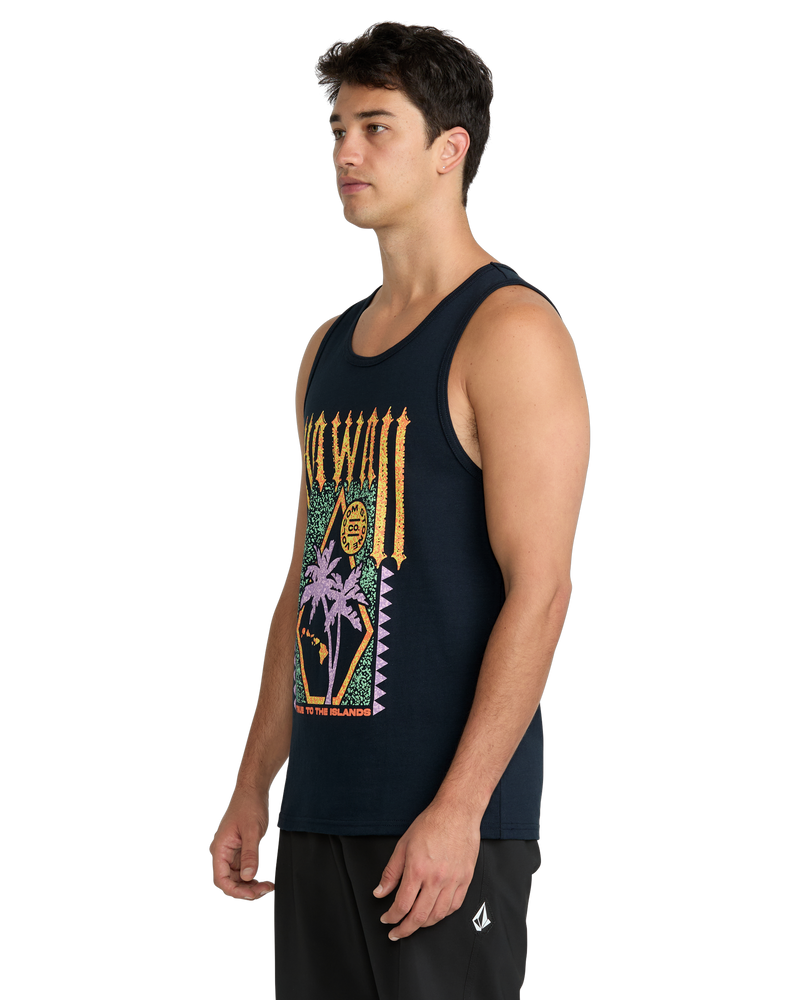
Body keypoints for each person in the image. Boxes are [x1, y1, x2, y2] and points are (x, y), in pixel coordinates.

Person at [208, 19, 592, 999]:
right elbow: (307, 584)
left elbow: (541, 591)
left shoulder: (510, 332)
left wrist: (460, 809)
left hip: (446, 825)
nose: (345, 152)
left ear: (449, 149)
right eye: (338, 130)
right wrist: (253, 784)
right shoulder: (326, 349)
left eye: (376, 128)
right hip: (321, 809)